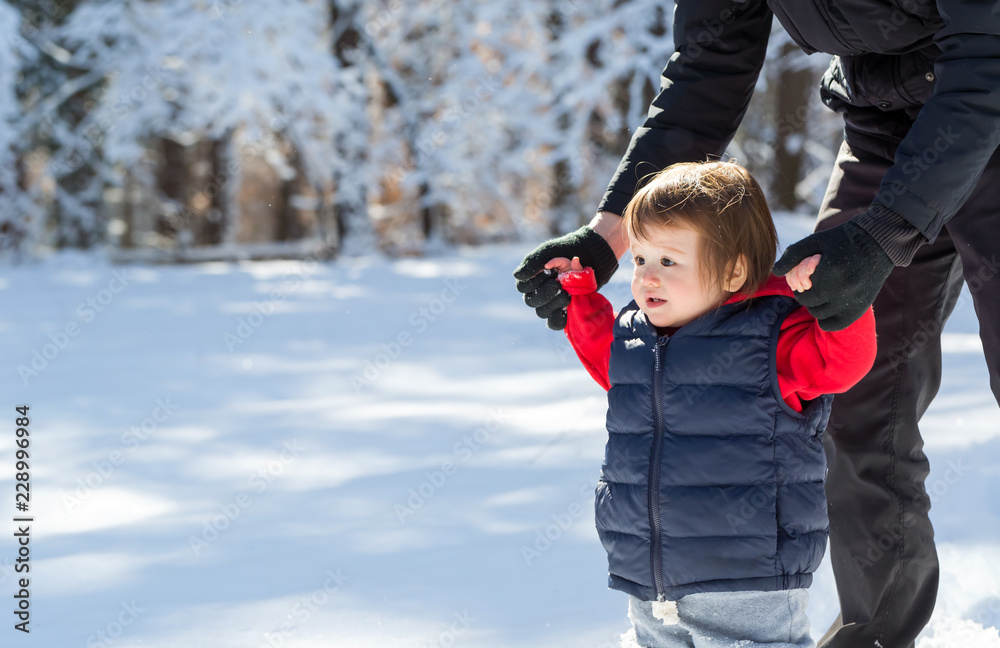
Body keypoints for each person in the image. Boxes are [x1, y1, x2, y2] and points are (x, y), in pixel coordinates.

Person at [514, 3, 1000, 646]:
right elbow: (711, 63)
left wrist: (884, 235)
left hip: (987, 87)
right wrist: (610, 237)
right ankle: (879, 631)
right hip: (886, 121)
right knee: (844, 391)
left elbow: (987, 53)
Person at [541, 160, 876, 648]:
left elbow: (843, 364)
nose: (647, 278)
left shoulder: (772, 336)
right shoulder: (639, 335)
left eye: (668, 262)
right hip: (651, 581)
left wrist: (843, 305)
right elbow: (610, 365)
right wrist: (581, 301)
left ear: (735, 269)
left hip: (748, 583)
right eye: (640, 260)